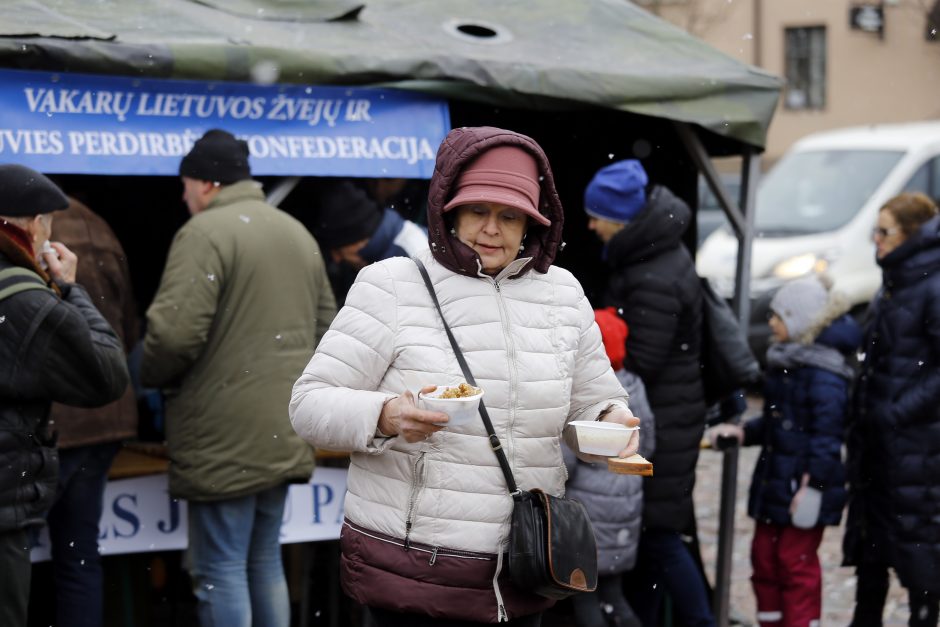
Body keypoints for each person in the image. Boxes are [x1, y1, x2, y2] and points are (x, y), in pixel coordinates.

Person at [289, 126, 640, 626]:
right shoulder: (391, 285)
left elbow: (594, 400)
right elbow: (308, 405)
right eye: (478, 210)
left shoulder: (563, 295)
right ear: (448, 209)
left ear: (533, 225)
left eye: (510, 215)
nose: (491, 229)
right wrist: (386, 416)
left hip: (523, 565)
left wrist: (612, 422)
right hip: (418, 571)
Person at [141, 129, 337, 627]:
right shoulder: (295, 232)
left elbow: (173, 338)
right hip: (283, 429)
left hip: (222, 436)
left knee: (220, 569)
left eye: (185, 185)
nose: (183, 197)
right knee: (263, 561)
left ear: (206, 183)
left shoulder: (203, 234)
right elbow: (327, 332)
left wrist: (142, 375)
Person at [583, 158, 713, 627]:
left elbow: (642, 360)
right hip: (669, 414)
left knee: (659, 535)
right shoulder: (649, 256)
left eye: (597, 215)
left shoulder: (651, 273)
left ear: (620, 218)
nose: (591, 225)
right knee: (649, 540)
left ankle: (702, 621)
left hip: (665, 420)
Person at [0, 164, 129, 627]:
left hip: (46, 451)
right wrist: (71, 290)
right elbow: (108, 371)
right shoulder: (23, 294)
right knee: (77, 558)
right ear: (34, 225)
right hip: (38, 463)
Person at [707, 276, 860, 627]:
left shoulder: (824, 375)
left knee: (795, 563)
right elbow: (779, 422)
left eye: (779, 316)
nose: (771, 323)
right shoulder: (788, 365)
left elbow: (826, 438)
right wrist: (743, 432)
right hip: (776, 484)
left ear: (799, 320)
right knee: (764, 559)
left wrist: (814, 488)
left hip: (800, 490)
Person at [843, 192, 940, 627]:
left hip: (916, 447)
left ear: (911, 235)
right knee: (872, 547)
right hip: (879, 446)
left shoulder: (931, 283)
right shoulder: (895, 279)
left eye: (884, 232)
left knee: (917, 550)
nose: (876, 241)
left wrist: (897, 413)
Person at [44, 197, 139, 627]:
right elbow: (130, 329)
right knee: (78, 555)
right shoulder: (98, 223)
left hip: (55, 419)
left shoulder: (27, 233)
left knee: (16, 552)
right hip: (106, 413)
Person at [564, 307, 654, 627]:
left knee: (585, 593)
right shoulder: (635, 386)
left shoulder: (586, 396)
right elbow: (649, 444)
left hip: (589, 515)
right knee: (613, 595)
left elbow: (569, 464)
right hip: (625, 513)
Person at [308, 179, 428, 305]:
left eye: (339, 250)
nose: (337, 258)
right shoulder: (377, 254)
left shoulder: (419, 253)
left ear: (359, 241)